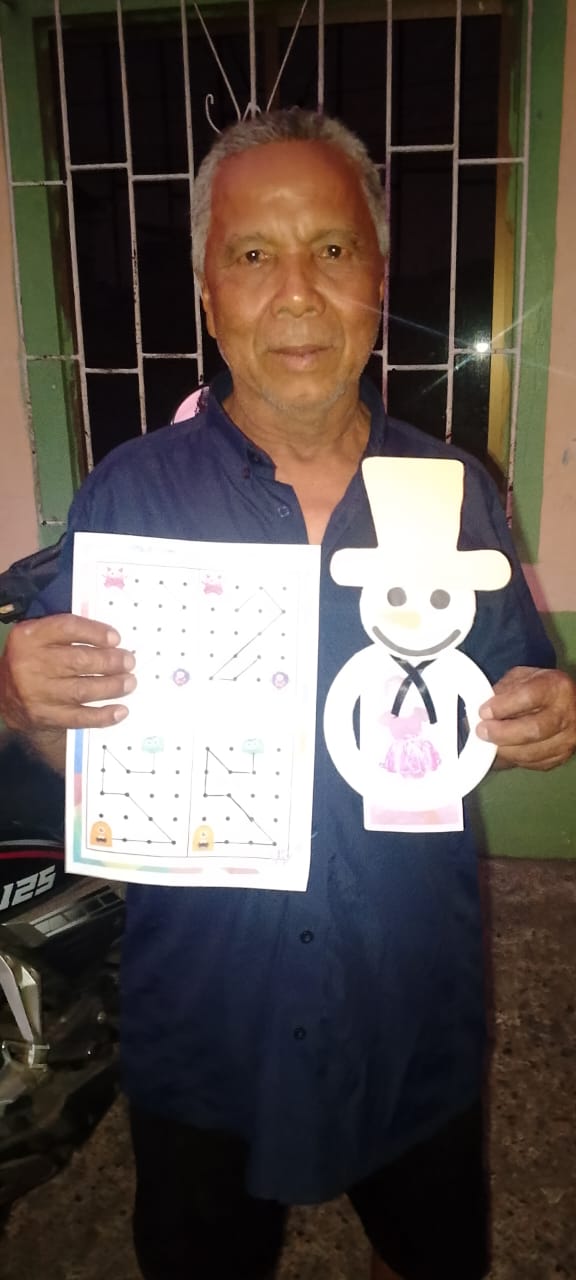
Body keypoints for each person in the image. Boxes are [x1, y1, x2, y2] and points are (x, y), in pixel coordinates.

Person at [1, 109, 575, 1280]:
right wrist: (19, 692)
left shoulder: (457, 488)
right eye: (254, 254)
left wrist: (547, 710)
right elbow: (66, 738)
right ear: (209, 296)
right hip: (206, 1016)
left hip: (410, 1004)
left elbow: (518, 674)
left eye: (334, 248)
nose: (298, 292)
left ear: (379, 278)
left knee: (436, 1252)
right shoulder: (129, 495)